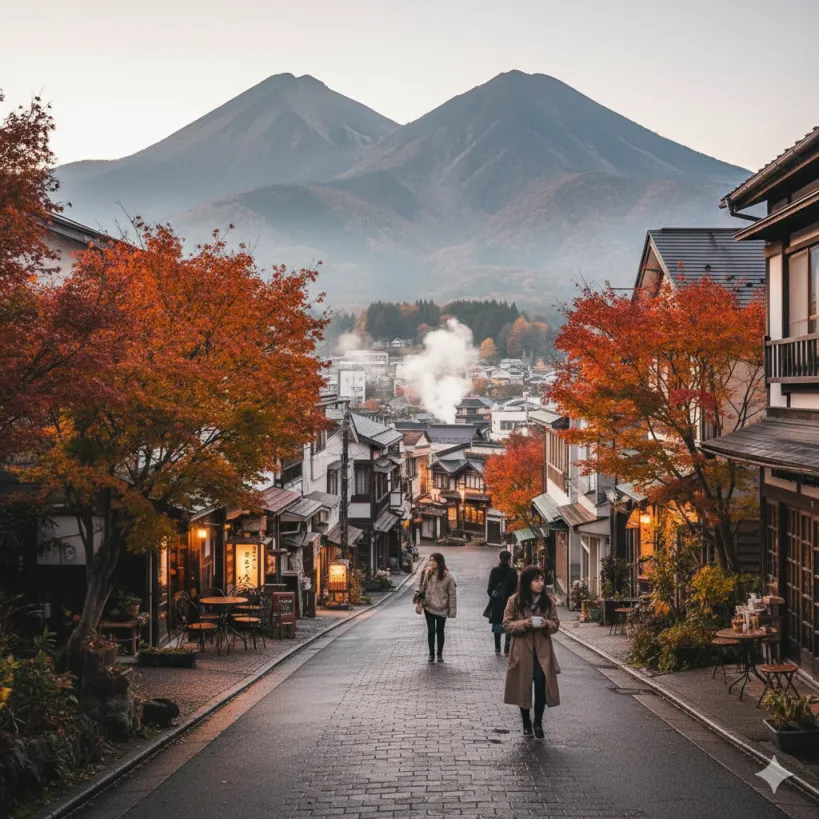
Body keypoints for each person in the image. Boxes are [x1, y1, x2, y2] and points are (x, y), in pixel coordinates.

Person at [502, 565, 561, 739]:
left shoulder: (548, 601)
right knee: (523, 688)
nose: (540, 583)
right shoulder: (515, 601)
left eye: (542, 579)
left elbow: (556, 624)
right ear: (527, 582)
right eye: (536, 580)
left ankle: (538, 722)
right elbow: (506, 624)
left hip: (542, 653)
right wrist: (524, 624)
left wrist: (546, 624)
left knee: (541, 689)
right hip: (522, 652)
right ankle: (526, 722)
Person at [415, 552, 457, 662]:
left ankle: (439, 654)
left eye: (434, 561)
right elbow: (422, 588)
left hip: (442, 608)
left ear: (439, 562)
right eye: (430, 560)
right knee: (431, 631)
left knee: (440, 631)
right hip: (428, 607)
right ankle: (431, 654)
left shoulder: (448, 576)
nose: (431, 563)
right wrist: (418, 595)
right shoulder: (427, 573)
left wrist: (452, 611)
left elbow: (452, 594)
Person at [486, 550, 517, 656]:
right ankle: (507, 649)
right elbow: (515, 588)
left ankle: (497, 648)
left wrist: (494, 595)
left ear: (499, 558)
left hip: (496, 602)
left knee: (497, 624)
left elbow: (489, 589)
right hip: (509, 601)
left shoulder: (494, 571)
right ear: (509, 560)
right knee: (508, 623)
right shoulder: (513, 572)